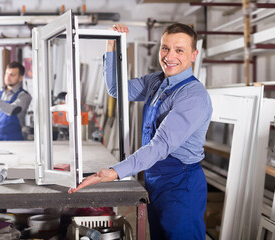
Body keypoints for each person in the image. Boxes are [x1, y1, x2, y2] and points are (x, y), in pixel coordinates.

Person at [69, 23, 213, 240]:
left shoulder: (193, 96)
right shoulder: (156, 82)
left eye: (179, 50)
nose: (169, 56)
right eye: (165, 48)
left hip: (181, 185)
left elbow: (160, 145)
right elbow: (116, 88)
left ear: (194, 55)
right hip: (155, 178)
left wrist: (115, 171)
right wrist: (112, 43)